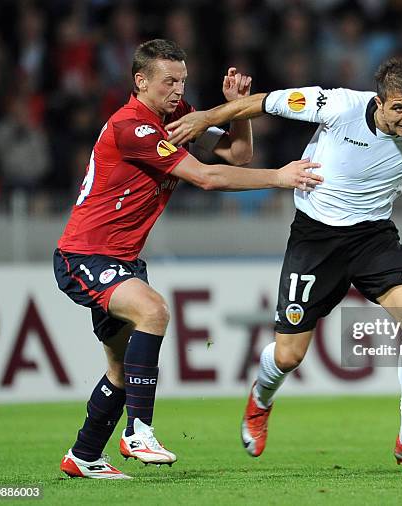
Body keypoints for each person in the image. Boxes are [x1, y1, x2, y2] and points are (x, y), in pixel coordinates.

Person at [166, 57, 402, 476]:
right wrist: (206, 118)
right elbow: (265, 103)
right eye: (399, 108)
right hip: (316, 239)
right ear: (379, 103)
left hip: (373, 238)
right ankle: (261, 400)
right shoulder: (337, 106)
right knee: (288, 356)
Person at [54, 39, 322, 480]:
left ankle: (83, 455)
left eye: (182, 80)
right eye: (168, 82)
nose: (178, 90)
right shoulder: (132, 127)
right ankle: (138, 431)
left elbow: (237, 155)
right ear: (141, 82)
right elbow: (205, 177)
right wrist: (280, 177)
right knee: (154, 311)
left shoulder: (176, 118)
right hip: (85, 253)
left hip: (122, 260)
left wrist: (238, 112)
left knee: (122, 371)